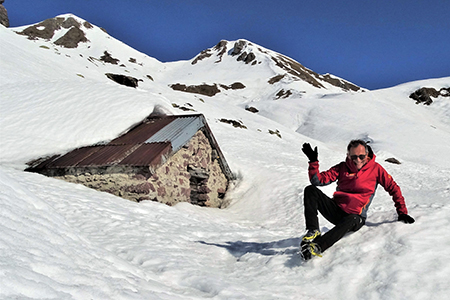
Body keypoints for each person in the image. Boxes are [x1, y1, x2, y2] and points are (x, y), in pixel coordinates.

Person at [300, 140, 415, 260]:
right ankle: (313, 230)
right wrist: (313, 162)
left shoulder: (376, 169)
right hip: (337, 211)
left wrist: (402, 212)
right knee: (310, 190)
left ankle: (317, 246)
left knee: (351, 218)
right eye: (354, 156)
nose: (358, 160)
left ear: (367, 154)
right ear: (348, 155)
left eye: (361, 156)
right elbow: (318, 181)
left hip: (356, 218)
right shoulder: (342, 168)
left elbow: (393, 188)